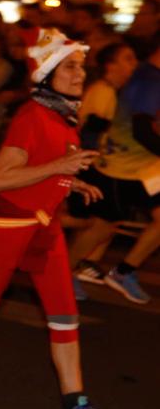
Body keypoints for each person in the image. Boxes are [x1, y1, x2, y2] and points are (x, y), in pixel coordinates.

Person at [0, 29, 119, 409]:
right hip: (7, 228)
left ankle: (74, 408)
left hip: (43, 230)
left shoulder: (62, 112)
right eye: (70, 66)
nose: (79, 73)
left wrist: (69, 183)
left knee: (65, 316)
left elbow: (48, 167)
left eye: (81, 66)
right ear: (47, 73)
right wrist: (58, 171)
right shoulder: (33, 115)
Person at [67, 42, 159, 304]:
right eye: (127, 59)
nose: (132, 64)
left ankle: (115, 271)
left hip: (140, 169)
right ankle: (65, 269)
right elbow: (133, 129)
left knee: (101, 225)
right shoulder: (137, 82)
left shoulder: (132, 84)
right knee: (99, 225)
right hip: (110, 166)